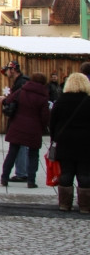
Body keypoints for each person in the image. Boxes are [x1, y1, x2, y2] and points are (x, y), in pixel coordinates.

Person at [0, 71, 50, 188]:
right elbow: (45, 116)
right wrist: (43, 127)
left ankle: (4, 178)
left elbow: (8, 101)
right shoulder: (43, 96)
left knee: (12, 153)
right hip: (34, 128)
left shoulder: (22, 90)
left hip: (17, 126)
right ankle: (31, 180)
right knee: (33, 154)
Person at [49, 73, 90, 212]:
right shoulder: (88, 101)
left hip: (64, 141)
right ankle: (85, 206)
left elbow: (52, 123)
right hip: (86, 142)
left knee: (66, 172)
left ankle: (64, 204)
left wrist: (53, 140)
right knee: (84, 174)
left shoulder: (61, 101)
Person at [0, 61, 31, 183]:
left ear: (13, 70)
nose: (7, 72)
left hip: (20, 119)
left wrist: (6, 101)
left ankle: (22, 173)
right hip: (24, 119)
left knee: (19, 146)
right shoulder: (22, 81)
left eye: (8, 70)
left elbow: (18, 101)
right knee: (23, 146)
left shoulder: (21, 82)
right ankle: (23, 171)